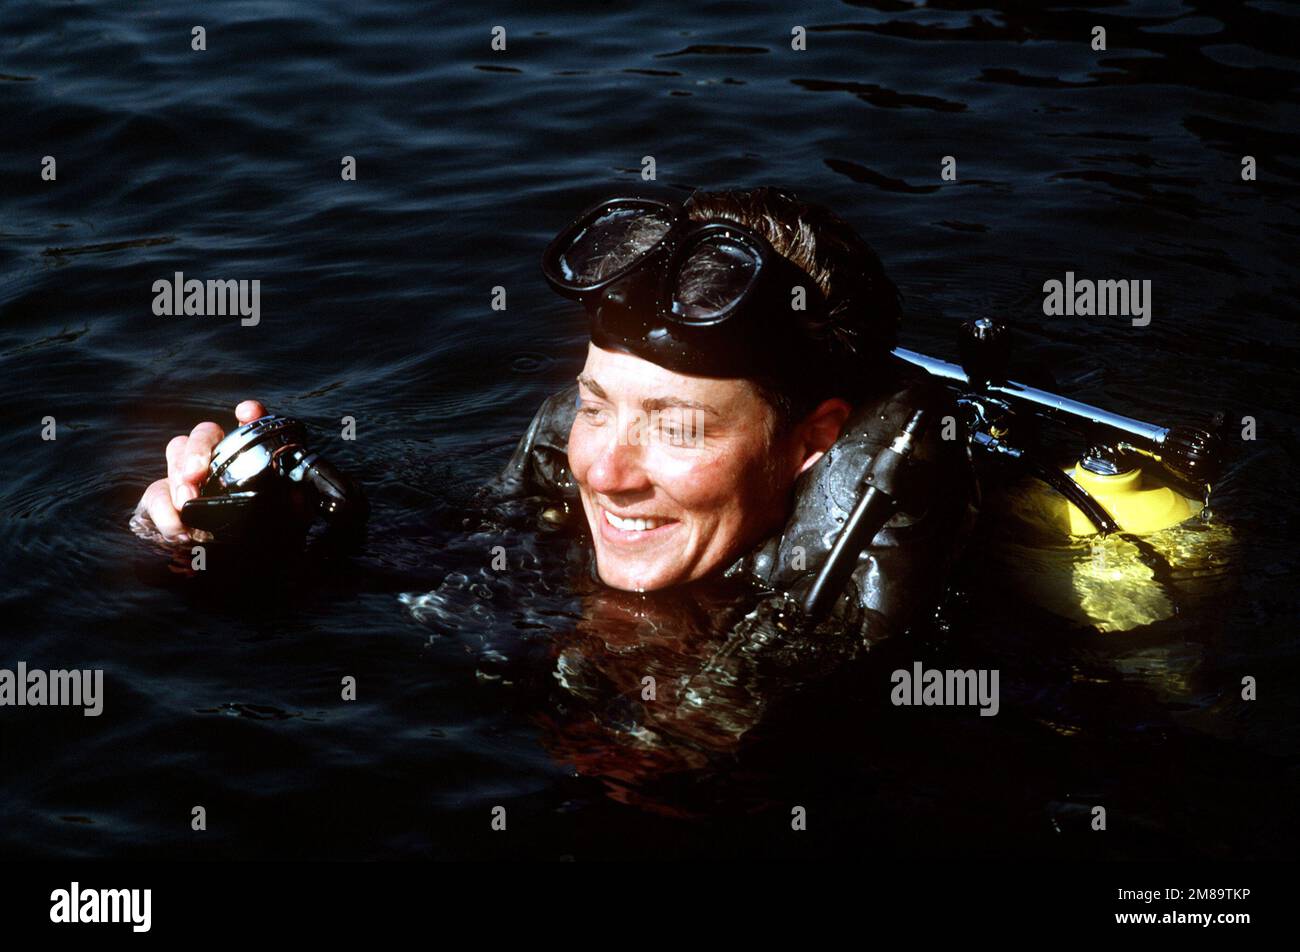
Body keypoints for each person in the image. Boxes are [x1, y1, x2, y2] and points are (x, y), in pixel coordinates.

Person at [132, 186, 977, 652]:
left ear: (812, 442)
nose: (603, 472)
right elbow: (426, 570)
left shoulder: (977, 669)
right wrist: (216, 541)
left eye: (677, 427)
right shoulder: (552, 519)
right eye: (596, 405)